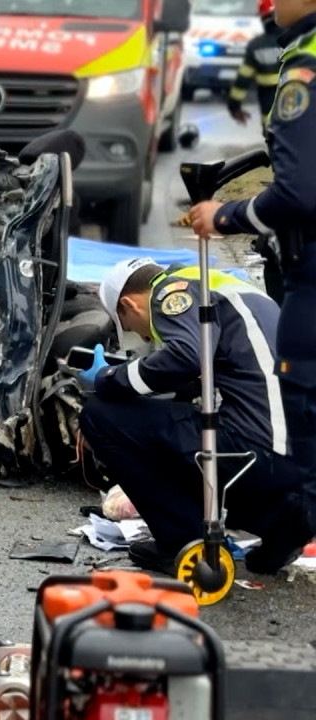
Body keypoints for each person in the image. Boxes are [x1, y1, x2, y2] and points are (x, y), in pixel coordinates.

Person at [78, 258, 313, 576]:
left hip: (259, 444)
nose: (146, 339)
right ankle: (283, 518)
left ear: (129, 304)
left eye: (133, 328)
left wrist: (110, 378)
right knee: (182, 437)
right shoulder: (223, 286)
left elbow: (185, 356)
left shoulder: (171, 293)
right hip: (298, 455)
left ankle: (181, 538)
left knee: (100, 415)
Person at [190, 0, 316, 567]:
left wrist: (225, 216)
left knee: (304, 408)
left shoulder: (304, 66)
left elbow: (298, 193)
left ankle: (293, 528)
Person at [228, 0, 285, 129]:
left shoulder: (256, 46)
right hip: (301, 121)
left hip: (271, 123)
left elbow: (242, 81)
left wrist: (234, 107)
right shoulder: (299, 40)